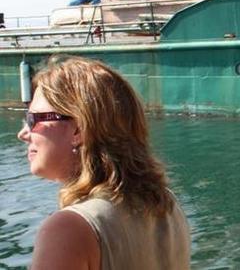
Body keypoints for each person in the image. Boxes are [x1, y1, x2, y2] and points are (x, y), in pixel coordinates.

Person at [18, 55, 191, 269]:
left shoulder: (68, 229)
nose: (23, 134)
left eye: (33, 119)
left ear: (79, 129)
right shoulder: (167, 206)